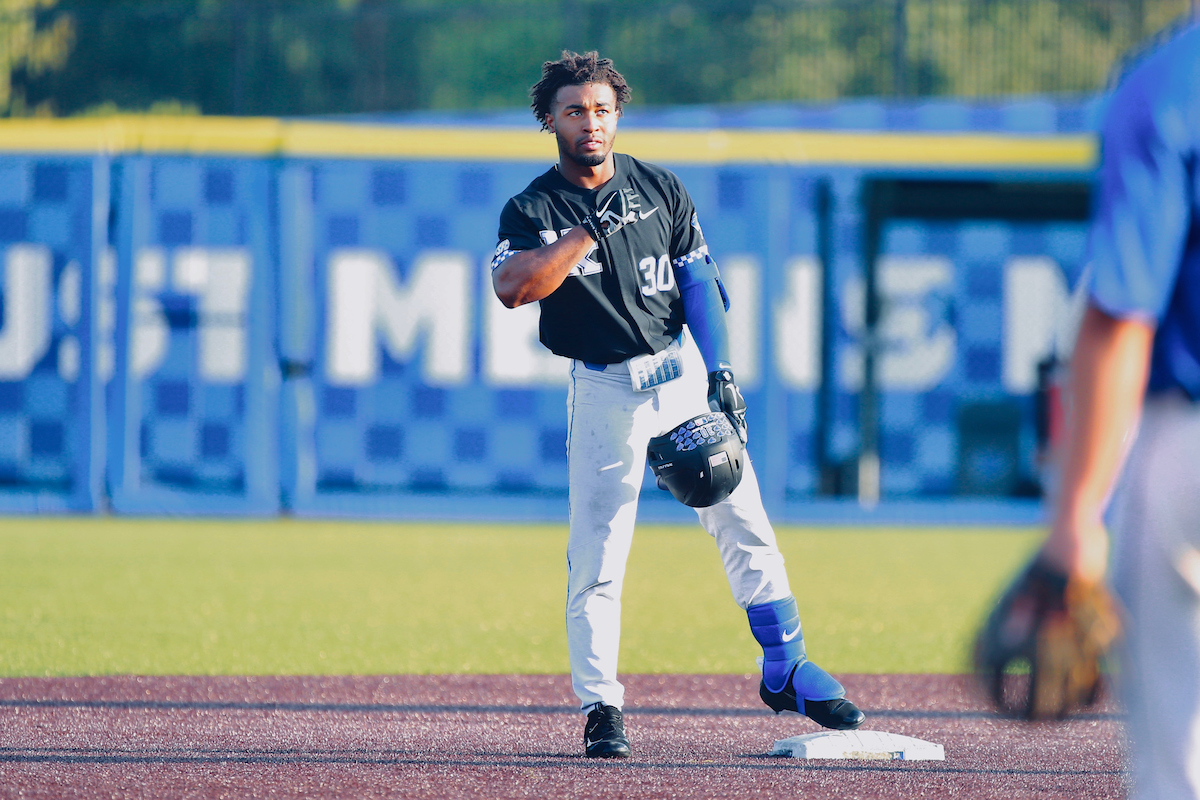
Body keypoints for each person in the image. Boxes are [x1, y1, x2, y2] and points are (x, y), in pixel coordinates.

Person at [490, 51, 864, 760]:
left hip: (681, 376)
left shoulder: (659, 186)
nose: (590, 122)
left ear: (618, 115)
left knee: (742, 516)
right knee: (598, 556)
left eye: (601, 109)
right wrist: (579, 234)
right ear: (550, 120)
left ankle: (786, 668)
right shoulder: (534, 207)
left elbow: (698, 284)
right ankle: (601, 705)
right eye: (574, 110)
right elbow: (514, 287)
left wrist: (721, 372)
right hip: (603, 389)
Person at [1035, 19, 1200, 799]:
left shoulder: (1170, 82)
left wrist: (1075, 521)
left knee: (1179, 767)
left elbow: (1119, 315)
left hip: (1188, 447)